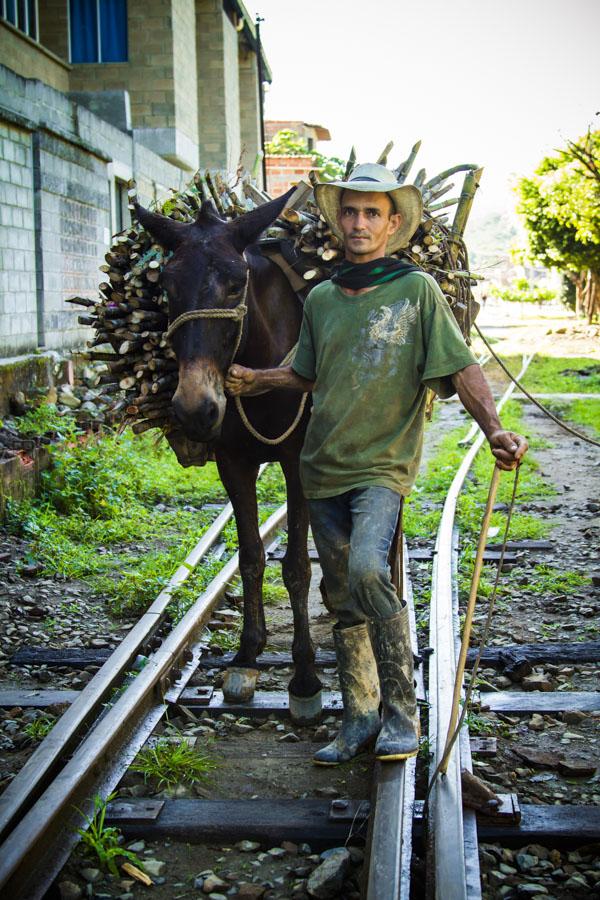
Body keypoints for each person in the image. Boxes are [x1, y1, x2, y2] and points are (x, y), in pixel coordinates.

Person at [225, 163, 528, 766]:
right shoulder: (324, 299)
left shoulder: (416, 291)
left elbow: (460, 366)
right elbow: (306, 372)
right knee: (340, 597)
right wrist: (257, 378)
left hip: (381, 467)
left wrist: (493, 427)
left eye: (372, 213)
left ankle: (401, 714)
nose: (359, 223)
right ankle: (359, 716)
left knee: (367, 569)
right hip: (322, 467)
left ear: (393, 225)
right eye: (350, 212)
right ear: (338, 222)